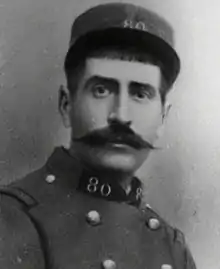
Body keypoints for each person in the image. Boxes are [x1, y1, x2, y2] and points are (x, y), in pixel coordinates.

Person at [0, 2, 196, 269]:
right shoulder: (13, 217)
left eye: (140, 94)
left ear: (163, 119)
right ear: (66, 105)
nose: (120, 115)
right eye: (102, 90)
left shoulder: (172, 247)